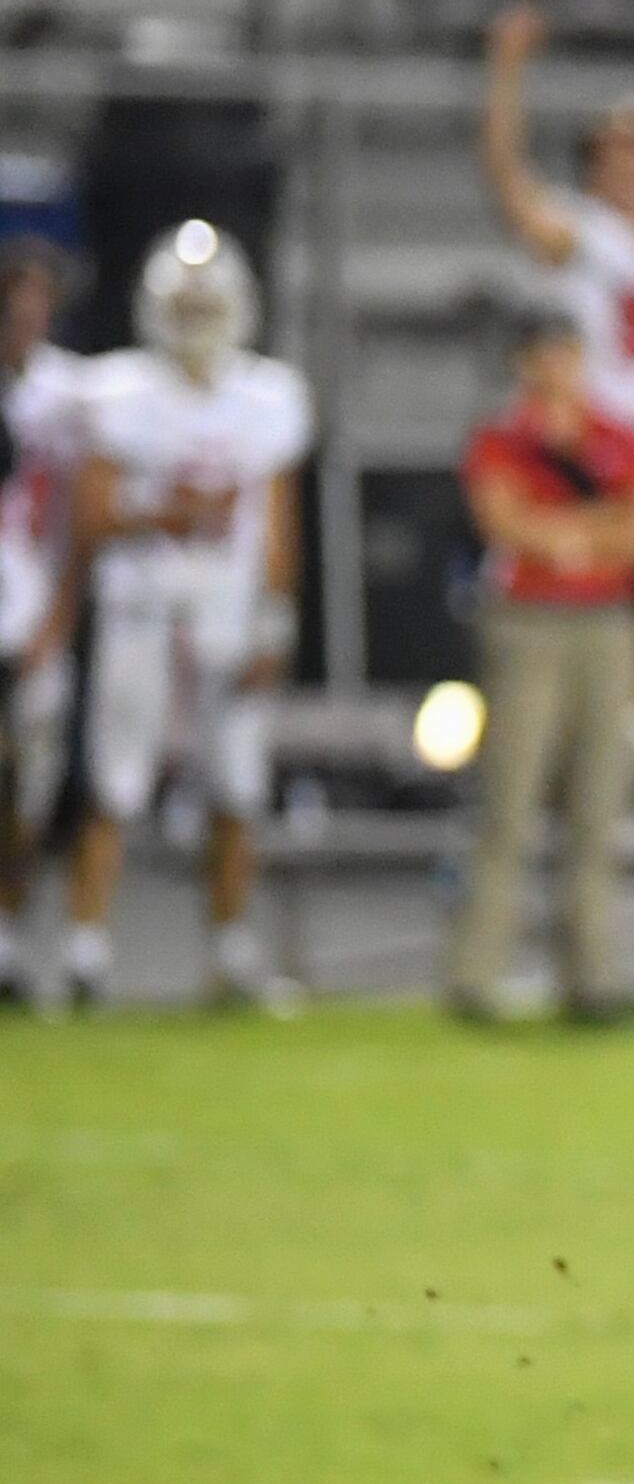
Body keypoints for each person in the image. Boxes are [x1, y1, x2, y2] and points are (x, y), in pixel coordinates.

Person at [482, 1, 634, 941]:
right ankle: (595, 856)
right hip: (605, 476)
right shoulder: (587, 237)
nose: (627, 169)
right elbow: (509, 184)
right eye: (612, 155)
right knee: (603, 677)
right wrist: (506, 72)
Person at [47, 224, 307, 1011]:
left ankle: (230, 950)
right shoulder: (117, 392)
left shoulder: (268, 396)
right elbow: (88, 517)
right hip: (144, 613)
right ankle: (86, 948)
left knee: (237, 789)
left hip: (227, 614)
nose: (196, 322)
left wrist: (276, 621)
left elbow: (277, 527)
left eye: (207, 306)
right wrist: (170, 513)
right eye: (183, 307)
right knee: (115, 784)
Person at [445, 312, 634, 1020]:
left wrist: (570, 537)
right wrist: (600, 534)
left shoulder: (617, 437)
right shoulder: (502, 438)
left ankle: (592, 973)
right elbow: (503, 523)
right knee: (510, 795)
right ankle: (476, 972)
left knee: (599, 800)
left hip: (607, 624)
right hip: (529, 622)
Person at [0, 239, 84, 1007]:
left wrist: (59, 615)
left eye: (36, 296)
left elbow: (75, 521)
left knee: (26, 792)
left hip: (33, 613)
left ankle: (8, 940)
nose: (22, 311)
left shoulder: (70, 394)